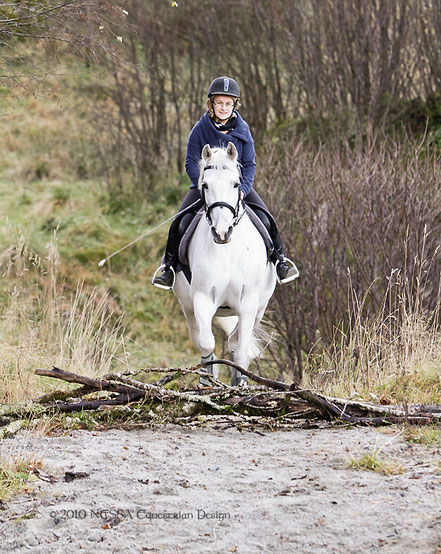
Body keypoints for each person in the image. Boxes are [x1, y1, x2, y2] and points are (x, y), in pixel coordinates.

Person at [152, 76, 297, 289]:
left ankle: (280, 262)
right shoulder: (200, 129)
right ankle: (168, 268)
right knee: (180, 223)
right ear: (211, 103)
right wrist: (203, 186)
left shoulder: (243, 130)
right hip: (206, 188)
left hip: (235, 189)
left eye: (228, 103)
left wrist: (243, 189)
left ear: (234, 105)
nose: (223, 108)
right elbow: (191, 161)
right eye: (219, 103)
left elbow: (249, 164)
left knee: (267, 220)